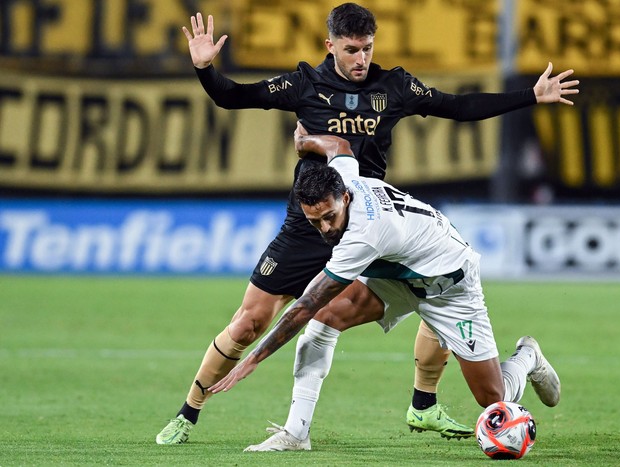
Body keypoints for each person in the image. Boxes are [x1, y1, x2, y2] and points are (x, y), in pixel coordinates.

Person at [156, 2, 578, 446]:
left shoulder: (393, 86)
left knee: (420, 290)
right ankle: (189, 413)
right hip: (310, 224)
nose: (361, 59)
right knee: (248, 323)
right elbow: (234, 96)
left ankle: (425, 404)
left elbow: (457, 106)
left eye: (367, 49)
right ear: (330, 45)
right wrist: (206, 69)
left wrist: (529, 95)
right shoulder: (304, 83)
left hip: (364, 225)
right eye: (351, 49)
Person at [208, 129, 561, 454]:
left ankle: (527, 356)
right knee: (326, 320)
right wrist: (306, 141)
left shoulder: (363, 234)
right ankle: (296, 432)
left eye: (330, 216)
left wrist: (251, 361)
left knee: (493, 399)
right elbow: (340, 147)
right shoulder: (341, 178)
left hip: (448, 283)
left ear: (344, 198)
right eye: (315, 221)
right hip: (397, 273)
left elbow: (304, 304)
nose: (325, 228)